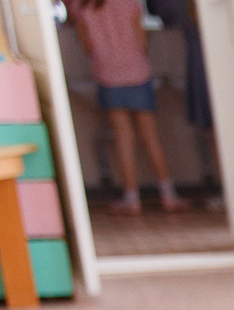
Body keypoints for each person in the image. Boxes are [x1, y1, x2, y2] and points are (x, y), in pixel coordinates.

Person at [68, 0, 189, 214]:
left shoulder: (81, 6)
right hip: (137, 72)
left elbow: (87, 45)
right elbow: (141, 39)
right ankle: (168, 194)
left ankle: (132, 198)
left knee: (123, 138)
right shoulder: (129, 2)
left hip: (107, 74)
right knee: (150, 136)